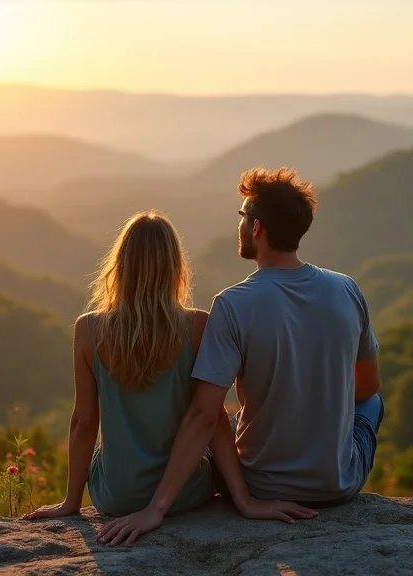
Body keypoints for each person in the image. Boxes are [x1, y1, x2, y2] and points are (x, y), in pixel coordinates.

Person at [96, 166, 383, 546]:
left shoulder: (232, 306)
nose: (240, 224)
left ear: (257, 228)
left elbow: (202, 416)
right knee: (373, 403)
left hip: (258, 484)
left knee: (223, 418)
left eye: (242, 216)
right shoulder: (347, 290)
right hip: (338, 485)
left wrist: (156, 510)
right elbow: (367, 387)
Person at [23, 211, 314, 533]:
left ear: (120, 265)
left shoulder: (88, 329)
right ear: (175, 267)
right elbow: (210, 418)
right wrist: (244, 500)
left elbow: (84, 422)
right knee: (225, 417)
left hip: (114, 495)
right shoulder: (197, 326)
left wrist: (70, 503)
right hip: (184, 495)